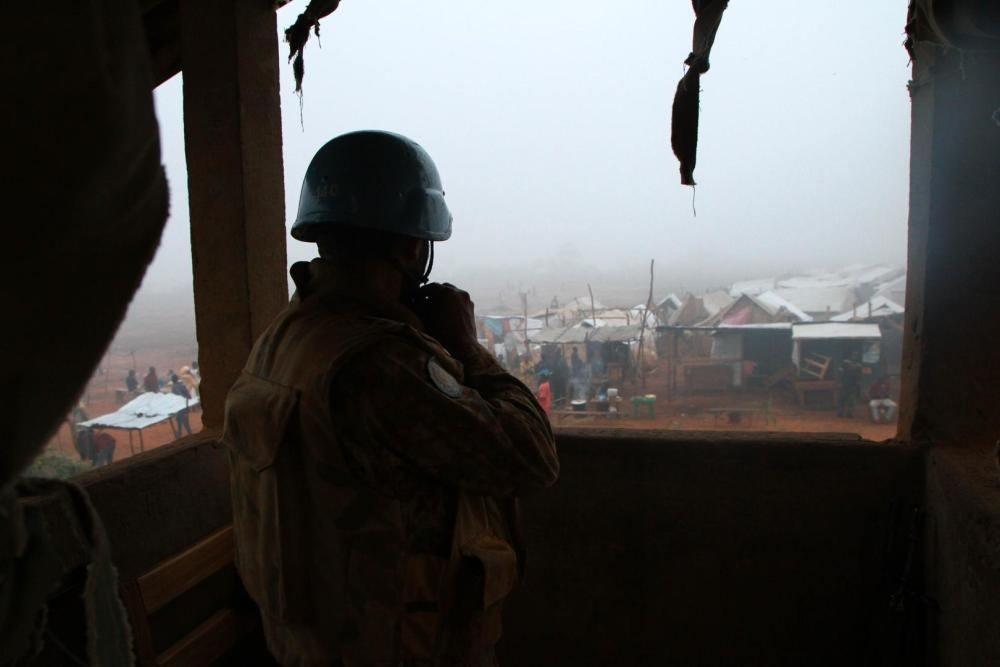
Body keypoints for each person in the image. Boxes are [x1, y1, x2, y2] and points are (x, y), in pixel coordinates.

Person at [222, 131, 559, 667]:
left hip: (307, 648)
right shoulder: (379, 365)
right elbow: (532, 457)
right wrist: (467, 347)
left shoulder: (281, 341)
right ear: (408, 246)